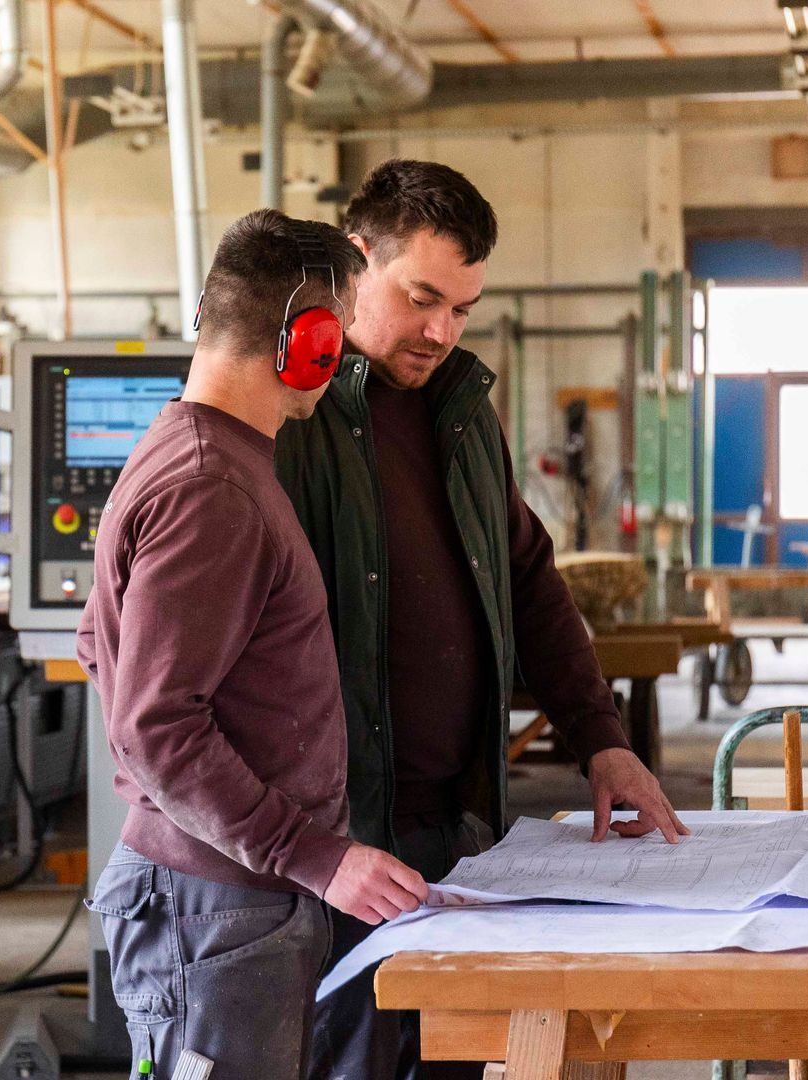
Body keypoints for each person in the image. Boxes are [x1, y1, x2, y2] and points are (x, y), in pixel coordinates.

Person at [276, 159, 686, 1080]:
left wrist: (601, 738)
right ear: (355, 259)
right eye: (423, 297)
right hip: (336, 849)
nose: (440, 330)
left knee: (455, 1061)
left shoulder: (462, 413)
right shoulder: (290, 416)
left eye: (462, 308)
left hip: (457, 834)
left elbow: (531, 579)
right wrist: (308, 847)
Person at [78, 209, 430, 1080]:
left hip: (229, 894)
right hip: (217, 907)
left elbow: (99, 645)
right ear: (306, 342)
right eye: (339, 335)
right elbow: (156, 725)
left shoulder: (198, 453)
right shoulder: (212, 489)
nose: (345, 358)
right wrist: (312, 854)